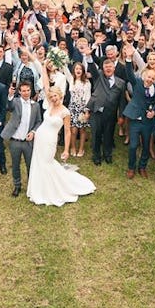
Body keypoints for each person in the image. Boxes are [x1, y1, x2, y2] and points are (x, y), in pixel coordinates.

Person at [27, 70, 96, 206]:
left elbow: (67, 132)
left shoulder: (65, 111)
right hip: (39, 138)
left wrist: (66, 150)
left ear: (61, 95)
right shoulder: (49, 105)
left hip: (50, 140)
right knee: (38, 162)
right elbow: (46, 84)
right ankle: (38, 189)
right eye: (51, 96)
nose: (53, 98)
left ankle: (54, 189)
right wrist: (44, 65)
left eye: (55, 96)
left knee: (47, 163)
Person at [122, 44, 155, 179]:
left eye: (152, 78)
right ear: (144, 76)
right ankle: (131, 167)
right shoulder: (137, 83)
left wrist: (154, 112)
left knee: (146, 147)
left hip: (148, 122)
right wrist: (128, 58)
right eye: (148, 77)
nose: (150, 79)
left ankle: (142, 167)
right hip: (135, 120)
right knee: (133, 146)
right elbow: (129, 73)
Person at [1, 81, 42, 197]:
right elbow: (8, 106)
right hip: (15, 140)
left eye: (28, 90)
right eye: (23, 91)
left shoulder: (35, 105)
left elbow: (39, 121)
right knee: (15, 164)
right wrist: (10, 95)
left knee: (30, 164)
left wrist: (33, 132)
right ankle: (17, 186)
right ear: (19, 91)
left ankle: (31, 186)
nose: (26, 93)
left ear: (31, 91)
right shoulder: (15, 102)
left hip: (28, 142)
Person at [86, 59, 126, 166]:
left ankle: (107, 155)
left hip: (110, 114)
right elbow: (92, 68)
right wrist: (89, 57)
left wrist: (121, 116)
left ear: (114, 68)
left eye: (110, 67)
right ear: (103, 69)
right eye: (106, 67)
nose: (108, 69)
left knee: (108, 135)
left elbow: (122, 101)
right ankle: (96, 156)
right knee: (96, 135)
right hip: (97, 112)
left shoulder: (121, 83)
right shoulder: (98, 77)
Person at [67, 62, 92, 157]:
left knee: (82, 130)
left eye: (80, 69)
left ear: (83, 71)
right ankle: (73, 147)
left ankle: (81, 149)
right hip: (73, 107)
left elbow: (88, 96)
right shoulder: (71, 79)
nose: (78, 70)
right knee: (73, 130)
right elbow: (64, 68)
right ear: (73, 70)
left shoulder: (86, 82)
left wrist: (86, 110)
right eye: (76, 69)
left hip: (82, 107)